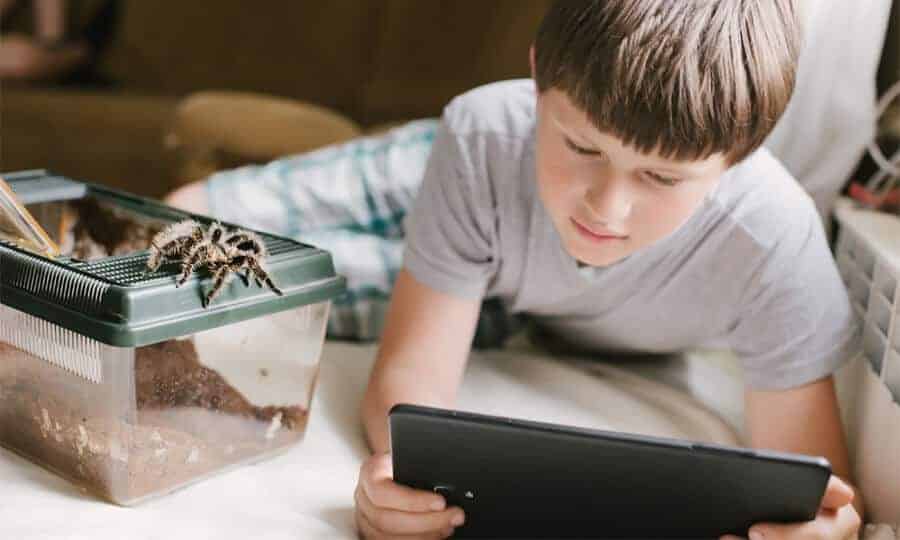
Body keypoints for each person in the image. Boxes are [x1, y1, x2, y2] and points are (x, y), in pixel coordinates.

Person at [165, 2, 863, 539]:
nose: (608, 208)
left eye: (661, 176)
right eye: (582, 146)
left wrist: (820, 525)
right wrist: (408, 473)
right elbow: (410, 392)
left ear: (741, 157)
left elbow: (812, 485)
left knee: (270, 285)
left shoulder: (775, 241)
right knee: (188, 223)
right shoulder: (486, 133)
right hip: (468, 173)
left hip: (511, 292)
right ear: (536, 77)